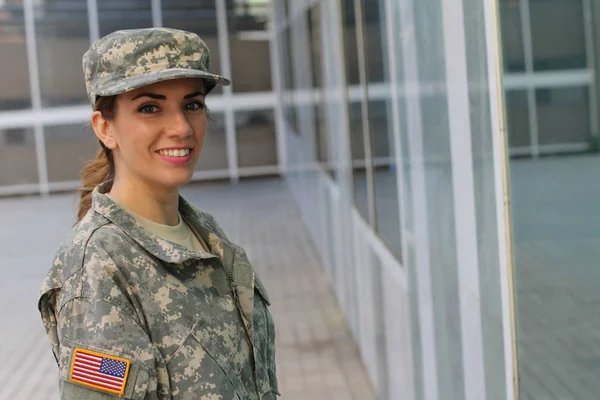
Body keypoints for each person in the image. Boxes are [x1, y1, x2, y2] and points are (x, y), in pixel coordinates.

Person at [37, 27, 279, 400]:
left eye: (192, 104)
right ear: (106, 128)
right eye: (150, 108)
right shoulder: (97, 268)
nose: (181, 127)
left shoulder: (203, 232)